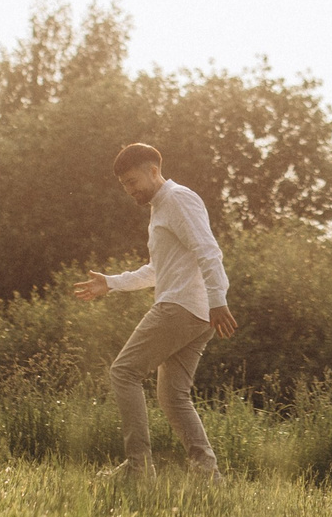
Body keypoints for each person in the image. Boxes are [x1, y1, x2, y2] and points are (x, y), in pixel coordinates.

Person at [72, 143, 237, 485]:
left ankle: (138, 468)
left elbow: (208, 250)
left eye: (133, 181)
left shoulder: (178, 199)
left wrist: (218, 299)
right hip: (195, 309)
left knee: (124, 372)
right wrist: (113, 283)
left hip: (183, 306)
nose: (131, 190)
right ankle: (208, 475)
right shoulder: (160, 209)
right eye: (125, 186)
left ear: (153, 170)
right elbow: (156, 271)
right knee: (172, 395)